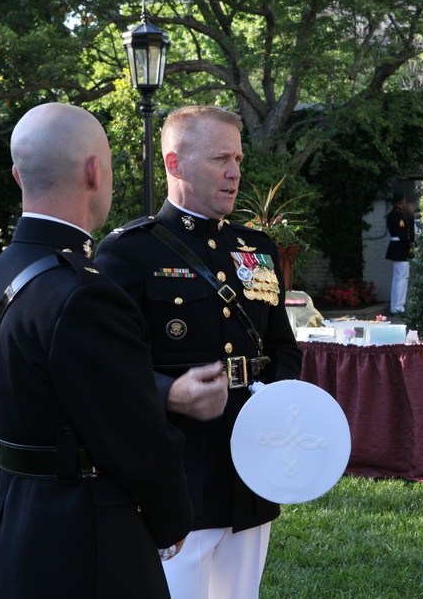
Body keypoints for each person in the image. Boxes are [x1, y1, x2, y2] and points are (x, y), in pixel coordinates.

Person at [0, 103, 228, 599]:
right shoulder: (84, 292)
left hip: (11, 515)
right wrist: (172, 520)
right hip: (84, 533)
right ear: (94, 171)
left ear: (19, 176)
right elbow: (136, 434)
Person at [95, 105, 302, 599]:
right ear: (174, 164)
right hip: (178, 474)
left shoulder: (256, 248)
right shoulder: (129, 253)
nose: (234, 172)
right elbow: (105, 370)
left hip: (250, 471)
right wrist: (168, 392)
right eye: (218, 159)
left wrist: (281, 409)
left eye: (237, 158)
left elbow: (281, 345)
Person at [384, 192, 414, 314]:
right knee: (402, 278)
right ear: (401, 201)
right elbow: (402, 234)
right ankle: (399, 307)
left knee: (397, 278)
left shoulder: (393, 214)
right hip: (400, 248)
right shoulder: (398, 215)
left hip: (396, 247)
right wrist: (409, 245)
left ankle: (395, 306)